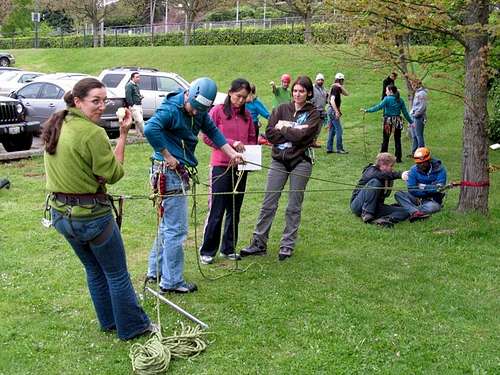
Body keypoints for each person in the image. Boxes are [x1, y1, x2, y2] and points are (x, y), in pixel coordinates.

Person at [42, 78, 152, 340]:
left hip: (61, 216)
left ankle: (110, 322)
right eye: (95, 101)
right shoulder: (92, 133)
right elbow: (113, 174)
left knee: (94, 269)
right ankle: (133, 328)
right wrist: (123, 136)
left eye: (104, 100)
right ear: (77, 101)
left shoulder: (59, 122)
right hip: (90, 218)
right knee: (117, 274)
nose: (102, 106)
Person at [144, 77, 244, 293]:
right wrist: (167, 155)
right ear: (188, 94)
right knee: (176, 229)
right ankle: (171, 282)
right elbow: (150, 129)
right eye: (193, 108)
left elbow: (214, 133)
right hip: (168, 173)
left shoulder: (199, 111)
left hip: (176, 173)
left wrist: (232, 153)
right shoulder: (171, 109)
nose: (194, 113)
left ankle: (155, 270)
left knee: (167, 226)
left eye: (200, 110)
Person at [240, 76, 321, 261]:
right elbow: (270, 133)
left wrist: (284, 128)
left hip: (301, 161)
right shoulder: (281, 108)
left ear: (308, 93)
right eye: (295, 91)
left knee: (293, 205)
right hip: (278, 161)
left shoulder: (314, 114)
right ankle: (258, 243)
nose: (297, 94)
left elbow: (306, 137)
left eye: (301, 91)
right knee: (269, 203)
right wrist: (294, 130)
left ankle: (287, 245)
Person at [199, 79, 257, 265]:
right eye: (238, 96)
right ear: (230, 93)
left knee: (235, 208)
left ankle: (228, 248)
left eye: (244, 97)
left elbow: (251, 139)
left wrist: (250, 154)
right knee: (217, 208)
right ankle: (208, 250)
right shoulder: (217, 112)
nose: (240, 100)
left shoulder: (247, 116)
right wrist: (231, 143)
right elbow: (206, 137)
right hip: (221, 166)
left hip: (241, 167)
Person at [350, 152, 411, 228]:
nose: (392, 168)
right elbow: (379, 175)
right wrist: (400, 175)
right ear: (383, 165)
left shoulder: (386, 175)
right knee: (375, 182)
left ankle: (383, 220)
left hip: (375, 206)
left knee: (406, 211)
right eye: (391, 166)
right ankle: (367, 214)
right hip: (358, 206)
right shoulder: (370, 171)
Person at [362, 85, 413, 163]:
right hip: (397, 121)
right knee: (397, 140)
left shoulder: (387, 99)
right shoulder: (400, 100)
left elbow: (378, 107)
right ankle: (398, 158)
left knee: (386, 139)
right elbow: (405, 113)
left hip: (388, 121)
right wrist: (411, 122)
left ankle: (382, 158)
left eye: (386, 90)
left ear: (390, 91)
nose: (385, 92)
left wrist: (367, 110)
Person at [395, 147, 447, 221]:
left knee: (434, 207)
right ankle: (415, 212)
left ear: (429, 160)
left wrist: (422, 186)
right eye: (419, 163)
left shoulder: (440, 170)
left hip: (432, 200)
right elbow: (411, 189)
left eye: (424, 162)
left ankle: (409, 209)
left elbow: (439, 188)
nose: (422, 165)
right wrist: (430, 187)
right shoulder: (413, 170)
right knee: (398, 194)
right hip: (416, 198)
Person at [326, 72, 349, 154]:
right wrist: (336, 111)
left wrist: (341, 87)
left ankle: (329, 148)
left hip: (330, 110)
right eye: (342, 80)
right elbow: (332, 100)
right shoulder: (335, 88)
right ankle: (339, 148)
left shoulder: (336, 87)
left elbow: (347, 94)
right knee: (339, 130)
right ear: (341, 80)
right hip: (333, 110)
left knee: (332, 130)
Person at [410, 79, 428, 154]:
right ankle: (414, 151)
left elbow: (422, 106)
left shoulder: (422, 93)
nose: (412, 86)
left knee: (418, 135)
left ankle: (422, 152)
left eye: (413, 85)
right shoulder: (417, 93)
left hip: (418, 116)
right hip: (414, 115)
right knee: (414, 135)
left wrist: (416, 114)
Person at [311, 73, 328, 148]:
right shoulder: (312, 88)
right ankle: (309, 142)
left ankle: (314, 142)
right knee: (312, 127)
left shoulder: (324, 89)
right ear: (316, 80)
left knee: (319, 128)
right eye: (319, 79)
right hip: (314, 110)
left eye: (322, 80)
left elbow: (326, 99)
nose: (320, 81)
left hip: (322, 111)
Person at [125, 72, 145, 137]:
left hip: (139, 105)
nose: (139, 78)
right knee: (140, 120)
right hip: (134, 106)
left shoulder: (136, 85)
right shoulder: (129, 85)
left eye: (139, 77)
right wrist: (131, 105)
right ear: (132, 78)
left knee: (137, 122)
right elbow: (128, 96)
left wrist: (140, 97)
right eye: (137, 77)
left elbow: (136, 95)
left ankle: (138, 135)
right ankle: (146, 133)